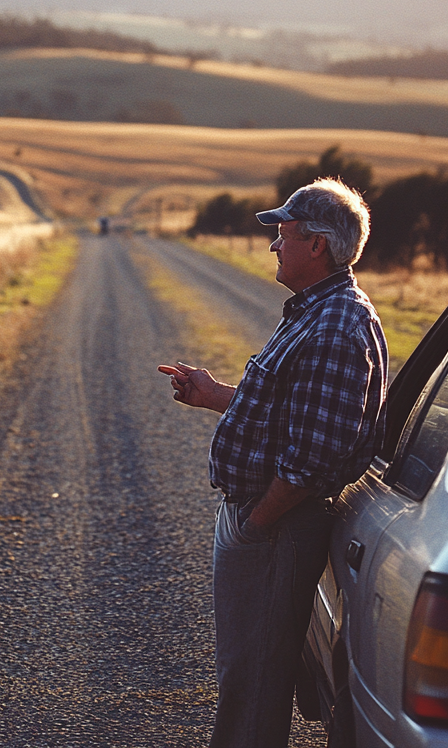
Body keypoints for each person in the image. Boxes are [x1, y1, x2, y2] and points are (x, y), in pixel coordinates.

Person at [159, 178, 387, 748]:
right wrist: (214, 394)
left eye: (283, 235)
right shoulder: (318, 311)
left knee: (255, 679)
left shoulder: (336, 324)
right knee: (246, 672)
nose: (273, 246)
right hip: (266, 523)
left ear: (316, 246)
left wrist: (259, 523)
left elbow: (312, 457)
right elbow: (293, 411)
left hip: (277, 528)